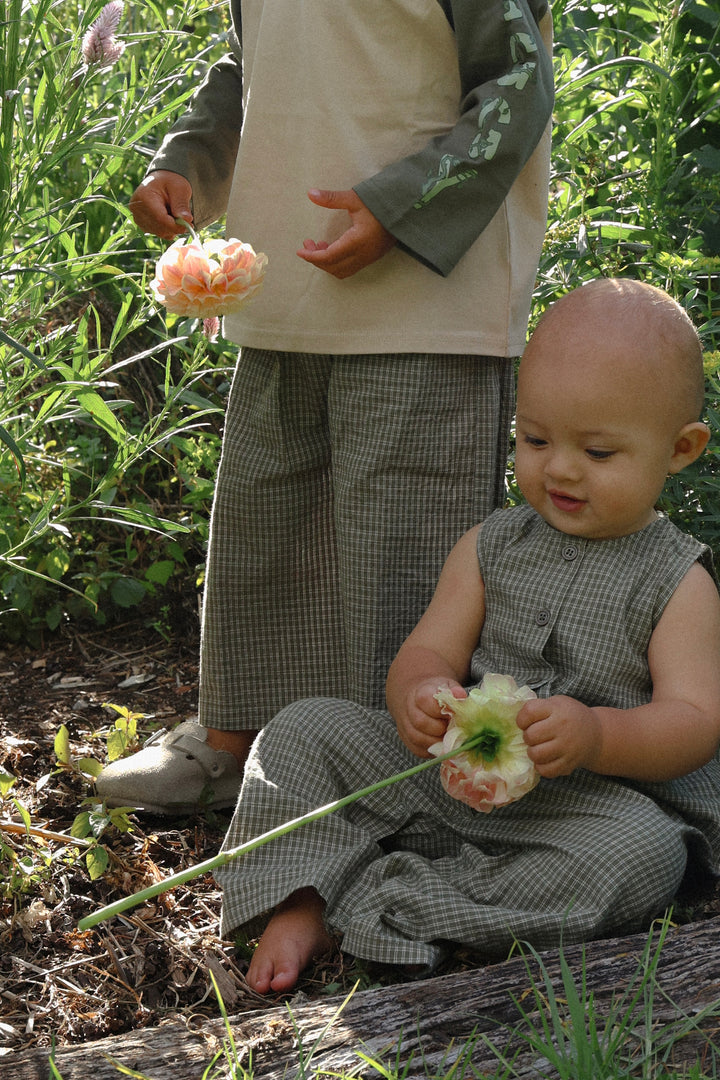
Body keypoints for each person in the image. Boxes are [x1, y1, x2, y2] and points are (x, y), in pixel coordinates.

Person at [96, 0, 554, 814]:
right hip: (285, 279)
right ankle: (237, 742)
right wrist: (189, 161)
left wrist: (402, 201)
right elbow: (253, 64)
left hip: (426, 297)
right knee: (263, 523)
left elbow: (517, 84)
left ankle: (387, 782)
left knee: (403, 550)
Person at [214, 278, 720, 995]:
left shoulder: (678, 582)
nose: (561, 468)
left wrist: (598, 736)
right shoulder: (491, 545)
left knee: (643, 860)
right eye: (536, 439)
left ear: (680, 449)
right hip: (451, 771)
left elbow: (694, 723)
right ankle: (300, 895)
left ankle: (384, 899)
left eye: (600, 453)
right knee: (299, 732)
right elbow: (428, 652)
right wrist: (419, 692)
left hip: (582, 804)